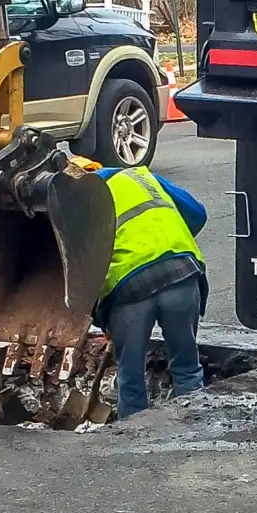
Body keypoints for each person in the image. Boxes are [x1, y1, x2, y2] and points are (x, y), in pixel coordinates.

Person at [94, 163, 207, 417]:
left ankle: (134, 447)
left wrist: (102, 320)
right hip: (181, 273)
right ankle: (198, 438)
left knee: (131, 378)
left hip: (128, 290)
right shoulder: (144, 177)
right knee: (188, 367)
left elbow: (83, 270)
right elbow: (197, 213)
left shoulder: (87, 199)